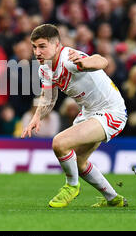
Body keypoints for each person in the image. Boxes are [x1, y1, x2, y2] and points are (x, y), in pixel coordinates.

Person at [21, 24, 128, 208]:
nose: (37, 52)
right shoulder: (44, 68)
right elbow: (48, 98)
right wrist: (36, 117)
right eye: (34, 47)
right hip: (89, 112)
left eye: (42, 46)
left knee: (60, 143)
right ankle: (114, 199)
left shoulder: (69, 59)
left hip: (112, 111)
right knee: (78, 161)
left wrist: (85, 63)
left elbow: (102, 61)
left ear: (57, 45)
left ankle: (71, 186)